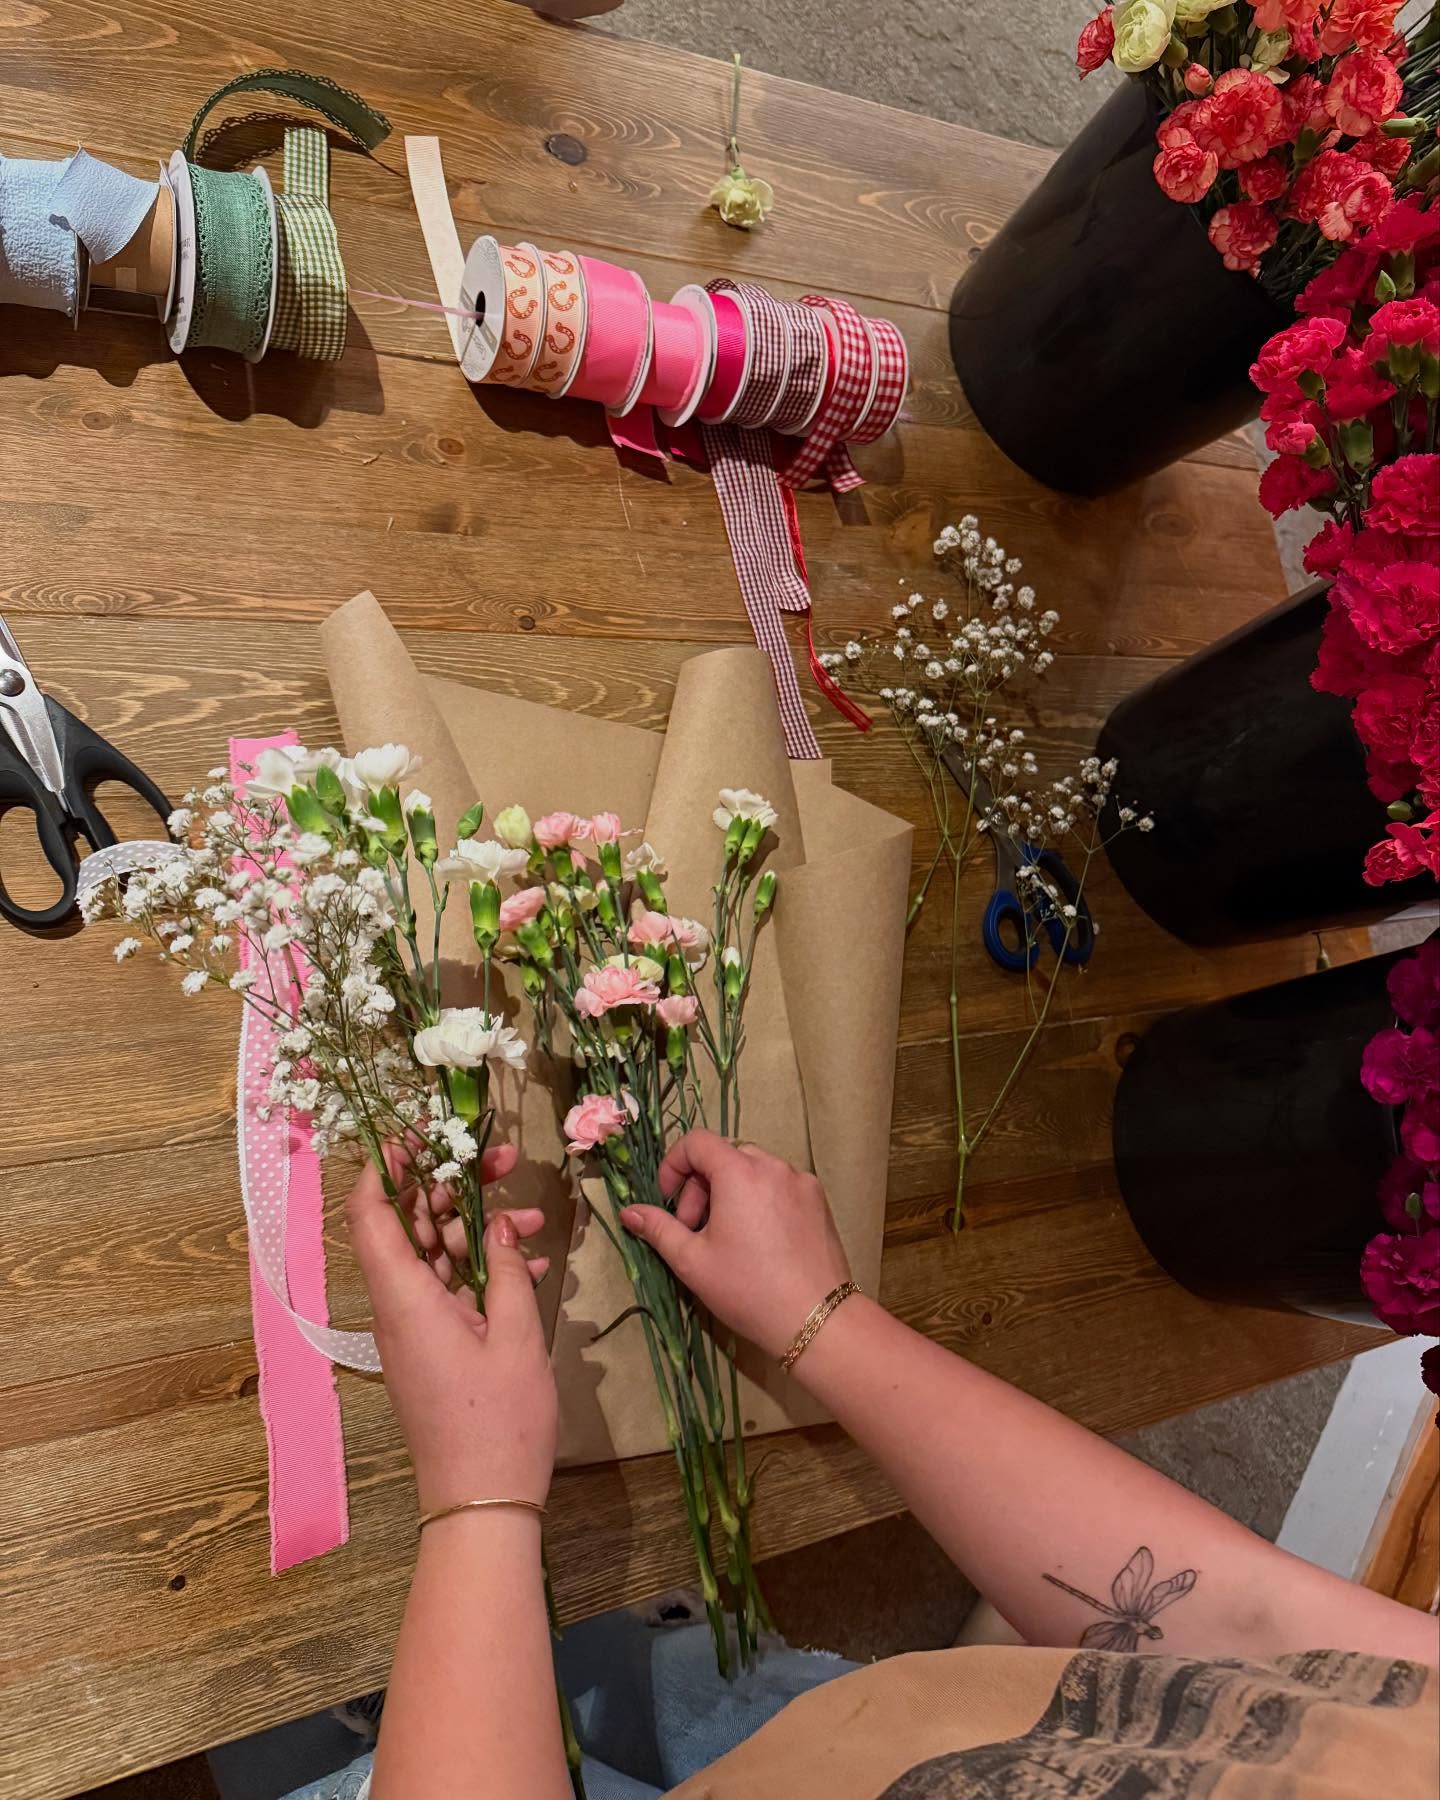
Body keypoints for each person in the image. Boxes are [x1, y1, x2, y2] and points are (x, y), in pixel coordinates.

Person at [296, 1132, 1439, 1800]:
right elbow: (1246, 1628)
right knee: (675, 1683)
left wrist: (478, 1501)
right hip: (871, 1736)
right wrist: (825, 1322)